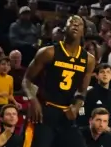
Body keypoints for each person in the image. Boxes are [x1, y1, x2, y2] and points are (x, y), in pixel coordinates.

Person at [23, 16, 96, 147]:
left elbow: (82, 90)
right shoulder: (48, 52)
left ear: (84, 31)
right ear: (64, 29)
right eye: (71, 22)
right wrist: (33, 100)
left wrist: (77, 106)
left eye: (78, 24)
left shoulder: (89, 60)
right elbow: (26, 80)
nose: (75, 25)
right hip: (45, 112)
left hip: (66, 114)